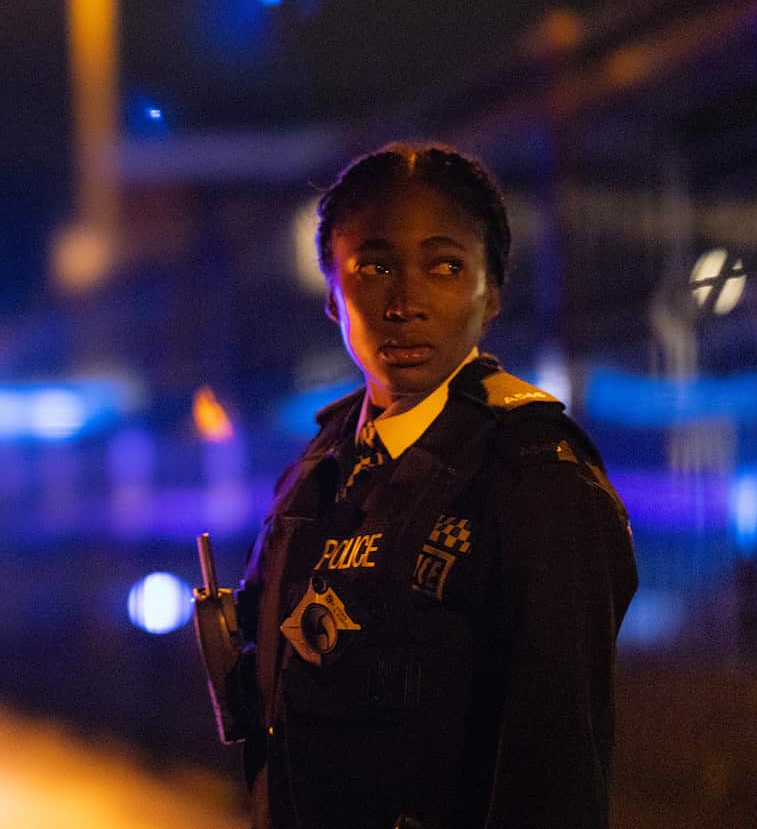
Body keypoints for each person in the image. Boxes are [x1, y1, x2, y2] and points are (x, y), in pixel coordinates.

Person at [233, 142, 638, 828]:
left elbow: (557, 771)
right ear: (332, 295)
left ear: (492, 296)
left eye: (445, 267)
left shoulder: (535, 476)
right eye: (374, 267)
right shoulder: (314, 473)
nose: (406, 302)